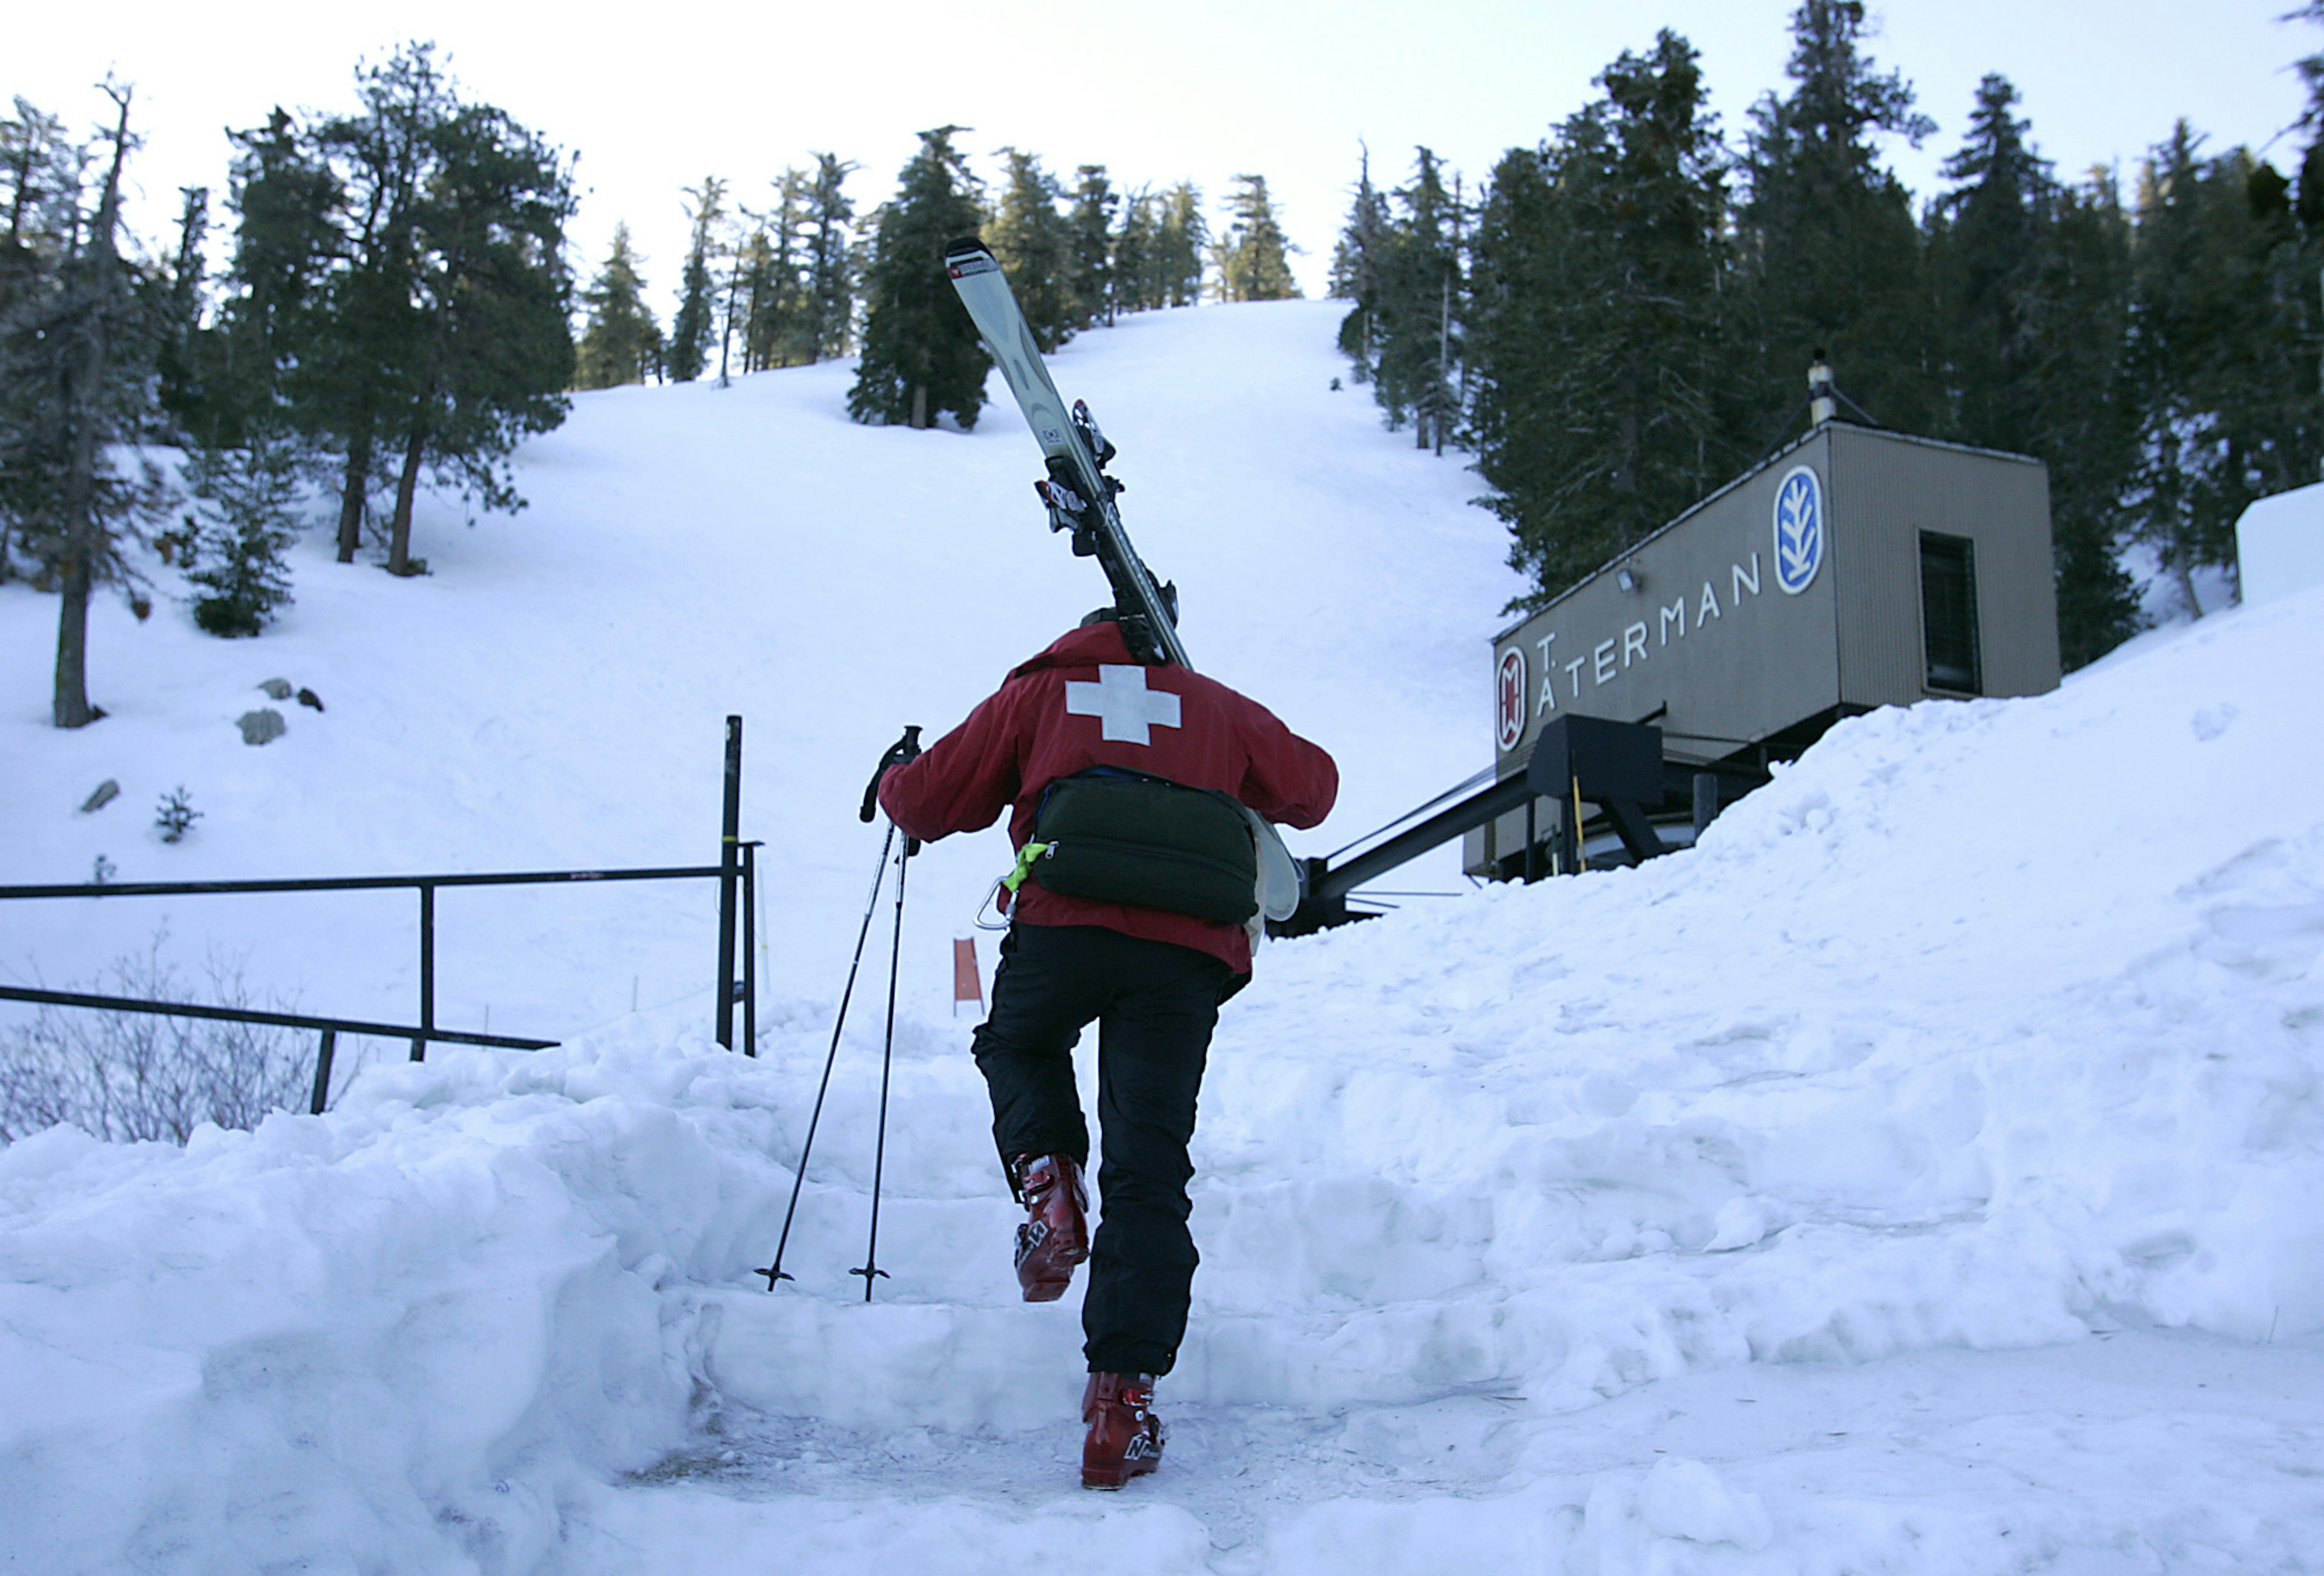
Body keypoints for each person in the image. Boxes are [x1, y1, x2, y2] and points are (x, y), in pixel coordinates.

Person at [876, 612, 1336, 1489]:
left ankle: (1049, 1187)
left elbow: (931, 799)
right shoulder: (1213, 705)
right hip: (1186, 953)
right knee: (1149, 1166)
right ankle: (1119, 1409)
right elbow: (1313, 791)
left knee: (1019, 1041)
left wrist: (896, 775)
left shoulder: (1039, 695)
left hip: (1064, 926)